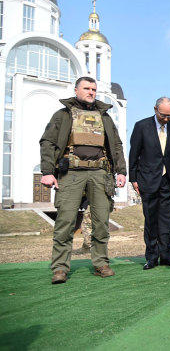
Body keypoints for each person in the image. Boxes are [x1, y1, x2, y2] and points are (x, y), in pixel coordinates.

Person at [40, 76, 127, 284]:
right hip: (70, 173)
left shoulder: (104, 116)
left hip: (100, 173)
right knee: (65, 222)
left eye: (94, 89)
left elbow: (116, 145)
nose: (91, 92)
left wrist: (121, 171)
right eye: (86, 88)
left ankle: (100, 264)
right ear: (76, 90)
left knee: (101, 222)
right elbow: (48, 142)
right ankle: (60, 268)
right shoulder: (63, 115)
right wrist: (47, 171)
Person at [129, 97, 170, 270]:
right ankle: (152, 256)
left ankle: (166, 255)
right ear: (155, 109)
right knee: (151, 219)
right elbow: (134, 154)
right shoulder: (141, 126)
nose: (166, 119)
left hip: (168, 179)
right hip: (147, 179)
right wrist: (133, 178)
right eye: (163, 115)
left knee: (165, 220)